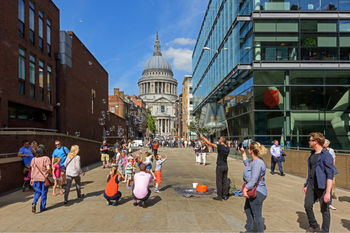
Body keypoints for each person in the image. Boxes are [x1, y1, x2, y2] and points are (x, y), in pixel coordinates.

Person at [303, 132, 334, 233]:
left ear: (316, 142)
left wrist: (328, 192)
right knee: (307, 205)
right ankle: (314, 225)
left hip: (322, 187)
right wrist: (306, 184)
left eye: (310, 140)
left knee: (324, 211)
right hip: (311, 185)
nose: (309, 142)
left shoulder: (326, 156)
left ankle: (325, 231)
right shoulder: (312, 155)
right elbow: (310, 171)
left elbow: (330, 175)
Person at [240, 142, 267, 233]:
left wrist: (245, 189)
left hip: (257, 192)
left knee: (257, 215)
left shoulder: (258, 163)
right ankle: (250, 230)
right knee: (247, 209)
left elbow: (253, 180)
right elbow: (247, 163)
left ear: (251, 151)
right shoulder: (254, 161)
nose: (247, 150)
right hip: (254, 190)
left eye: (248, 149)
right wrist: (243, 153)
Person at [200, 134, 230, 201]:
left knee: (219, 181)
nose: (219, 140)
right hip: (225, 166)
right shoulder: (227, 148)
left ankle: (219, 196)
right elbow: (228, 145)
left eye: (220, 139)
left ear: (222, 141)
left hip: (220, 166)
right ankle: (225, 195)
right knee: (224, 181)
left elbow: (209, 143)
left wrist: (203, 138)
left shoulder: (220, 146)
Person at [30, 145, 51, 213]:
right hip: (43, 179)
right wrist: (50, 174)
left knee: (37, 192)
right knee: (44, 193)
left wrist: (31, 179)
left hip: (35, 178)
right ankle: (42, 207)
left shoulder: (33, 159)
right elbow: (48, 168)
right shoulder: (46, 158)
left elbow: (32, 170)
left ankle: (34, 202)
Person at [324, 139, 337, 210]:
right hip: (322, 171)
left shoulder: (330, 150)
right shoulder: (320, 149)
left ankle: (329, 203)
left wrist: (332, 168)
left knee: (330, 186)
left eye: (324, 143)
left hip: (330, 170)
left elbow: (334, 159)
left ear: (327, 144)